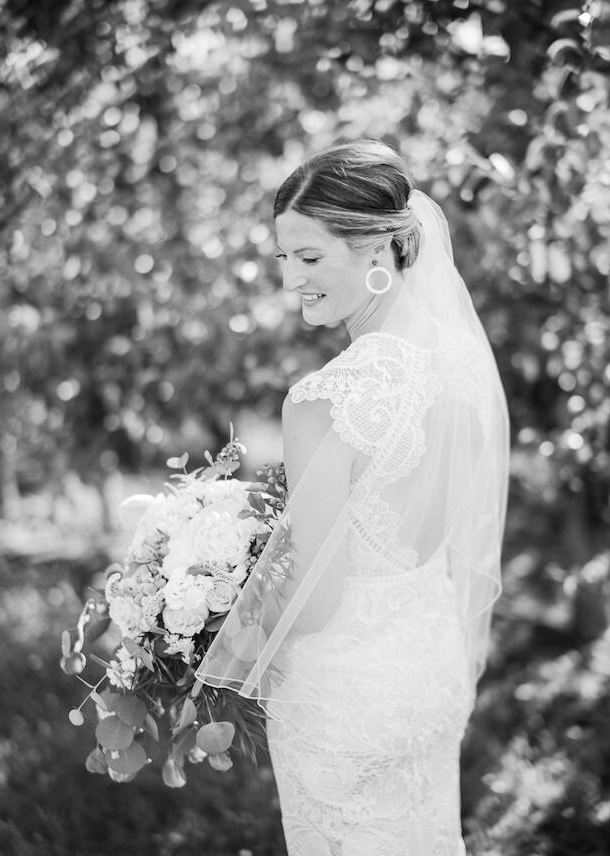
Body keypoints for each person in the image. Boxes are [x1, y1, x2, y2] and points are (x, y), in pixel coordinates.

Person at [196, 141, 509, 854]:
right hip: (431, 668)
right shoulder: (459, 365)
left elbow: (319, 591)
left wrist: (214, 618)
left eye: (309, 258)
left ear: (377, 245)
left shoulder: (321, 400)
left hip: (345, 700)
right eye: (283, 259)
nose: (290, 281)